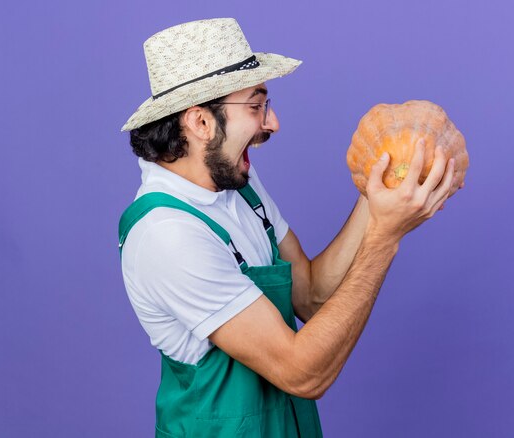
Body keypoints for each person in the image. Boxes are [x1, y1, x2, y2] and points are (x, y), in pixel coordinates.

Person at [118, 18, 455, 437]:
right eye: (256, 105)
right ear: (201, 122)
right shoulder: (167, 234)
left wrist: (378, 190)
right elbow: (302, 374)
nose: (272, 123)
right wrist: (385, 238)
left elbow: (311, 296)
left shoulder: (235, 183)